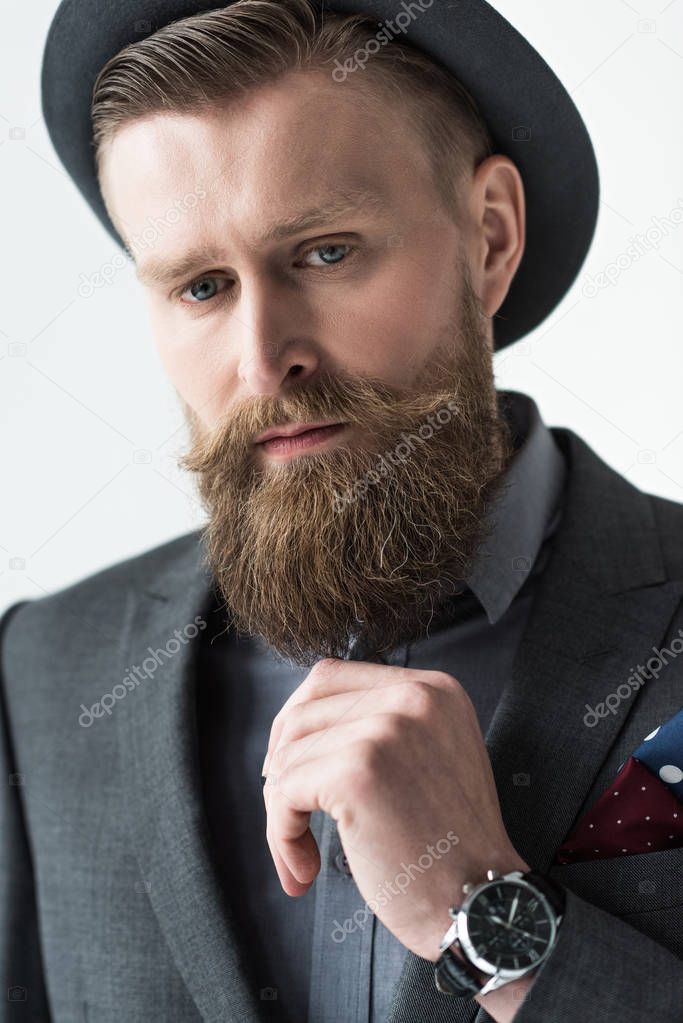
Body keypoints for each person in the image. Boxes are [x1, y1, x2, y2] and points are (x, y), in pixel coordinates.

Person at [2, 2, 682, 1021]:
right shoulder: (43, 674)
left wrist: (482, 909)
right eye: (199, 287)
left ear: (487, 238)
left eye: (323, 253)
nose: (262, 358)